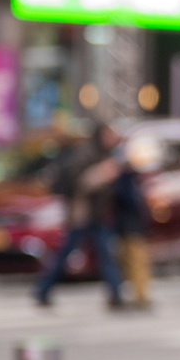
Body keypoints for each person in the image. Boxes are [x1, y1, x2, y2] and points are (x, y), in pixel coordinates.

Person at [32, 122, 124, 308]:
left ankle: (115, 294)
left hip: (97, 215)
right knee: (67, 252)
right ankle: (43, 289)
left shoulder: (104, 154)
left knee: (106, 254)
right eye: (108, 135)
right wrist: (101, 174)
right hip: (82, 215)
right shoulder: (86, 153)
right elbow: (79, 183)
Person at [112, 135, 157, 310]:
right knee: (133, 262)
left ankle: (140, 295)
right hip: (128, 224)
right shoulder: (124, 179)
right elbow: (128, 201)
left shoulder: (131, 178)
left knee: (136, 262)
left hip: (131, 225)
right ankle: (139, 295)